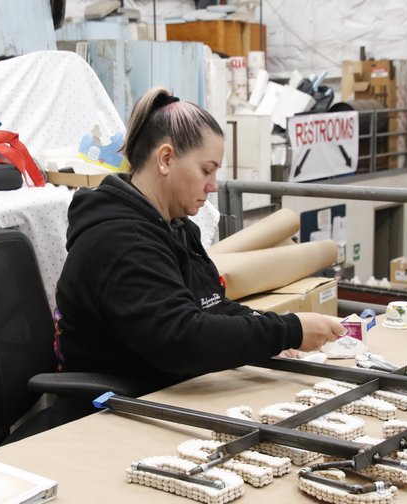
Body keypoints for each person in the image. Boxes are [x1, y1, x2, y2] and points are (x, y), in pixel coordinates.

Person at [54, 87, 345, 397]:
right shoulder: (123, 242)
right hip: (110, 406)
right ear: (165, 158)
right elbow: (181, 340)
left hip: (161, 387)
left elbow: (212, 305)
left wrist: (272, 329)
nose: (213, 186)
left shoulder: (174, 226)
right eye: (206, 170)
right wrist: (288, 331)